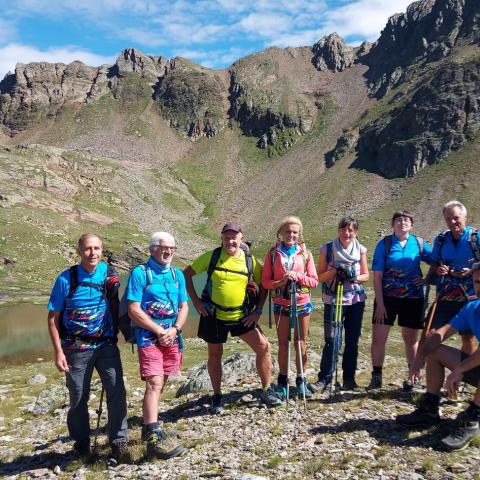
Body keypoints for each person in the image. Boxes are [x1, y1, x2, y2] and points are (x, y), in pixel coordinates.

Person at [47, 233, 130, 461]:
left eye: (97, 248)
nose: (92, 253)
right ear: (79, 251)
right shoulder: (66, 279)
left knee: (117, 392)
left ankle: (118, 442)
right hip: (76, 348)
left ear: (102, 250)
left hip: (106, 346)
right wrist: (58, 352)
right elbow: (53, 318)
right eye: (87, 249)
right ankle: (81, 443)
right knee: (78, 397)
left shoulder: (109, 274)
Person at [183, 222, 281, 413]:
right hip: (213, 315)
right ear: (222, 238)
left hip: (241, 316)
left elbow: (265, 285)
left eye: (234, 237)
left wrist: (258, 311)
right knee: (214, 355)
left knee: (264, 347)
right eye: (226, 237)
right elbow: (186, 274)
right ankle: (217, 396)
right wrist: (196, 302)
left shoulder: (249, 260)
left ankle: (266, 390)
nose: (230, 241)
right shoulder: (212, 256)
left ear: (241, 239)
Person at [396, 262, 480, 451]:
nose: (479, 287)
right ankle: (429, 409)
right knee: (434, 349)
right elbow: (441, 333)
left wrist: (459, 370)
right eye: (477, 282)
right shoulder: (472, 307)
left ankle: (474, 418)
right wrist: (418, 360)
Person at [126, 232, 187, 459]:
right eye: (164, 247)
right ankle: (153, 433)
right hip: (149, 337)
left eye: (172, 247)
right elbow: (134, 309)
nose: (169, 251)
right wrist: (160, 331)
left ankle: (149, 425)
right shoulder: (140, 273)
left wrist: (175, 330)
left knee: (163, 380)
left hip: (172, 337)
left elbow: (184, 307)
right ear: (152, 249)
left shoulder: (177, 274)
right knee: (155, 381)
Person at [368, 211, 432, 390]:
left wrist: (427, 279)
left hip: (413, 298)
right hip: (387, 298)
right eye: (398, 220)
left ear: (411, 225)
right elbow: (378, 276)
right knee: (379, 338)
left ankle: (413, 377)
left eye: (406, 220)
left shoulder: (419, 243)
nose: (402, 222)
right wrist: (380, 304)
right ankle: (376, 376)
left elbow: (437, 262)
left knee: (411, 339)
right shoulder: (385, 244)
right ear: (393, 225)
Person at [262, 216, 318, 399]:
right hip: (281, 303)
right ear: (281, 233)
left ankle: (302, 380)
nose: (291, 235)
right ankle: (283, 382)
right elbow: (265, 282)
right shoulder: (272, 254)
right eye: (287, 231)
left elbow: (314, 281)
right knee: (284, 343)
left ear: (299, 233)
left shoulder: (306, 254)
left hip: (302, 302)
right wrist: (281, 281)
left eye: (294, 232)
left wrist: (297, 276)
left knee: (301, 342)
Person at [311, 216, 369, 392]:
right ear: (338, 231)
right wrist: (336, 271)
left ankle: (349, 379)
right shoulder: (327, 249)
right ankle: (325, 378)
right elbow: (319, 277)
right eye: (343, 229)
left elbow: (366, 275)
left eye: (351, 230)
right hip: (334, 300)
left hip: (356, 301)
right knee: (332, 340)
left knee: (352, 340)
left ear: (356, 232)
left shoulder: (361, 250)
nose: (347, 233)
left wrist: (353, 277)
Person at [429, 200, 480, 355]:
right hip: (446, 294)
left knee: (467, 337)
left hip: (471, 296)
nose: (452, 222)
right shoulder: (441, 239)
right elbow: (434, 263)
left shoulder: (476, 238)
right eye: (448, 219)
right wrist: (438, 269)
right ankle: (424, 370)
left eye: (456, 218)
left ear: (465, 217)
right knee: (432, 334)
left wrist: (472, 269)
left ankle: (466, 374)